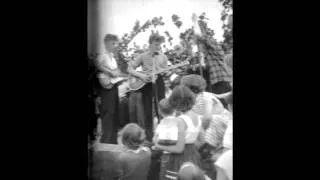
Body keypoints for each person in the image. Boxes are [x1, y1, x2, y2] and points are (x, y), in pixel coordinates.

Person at [155, 85, 202, 180]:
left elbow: (179, 148)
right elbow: (201, 139)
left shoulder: (181, 120)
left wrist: (158, 144)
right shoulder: (197, 116)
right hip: (193, 153)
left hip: (180, 158)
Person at [127, 33, 168, 142]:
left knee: (161, 109)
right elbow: (130, 68)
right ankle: (149, 139)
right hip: (146, 84)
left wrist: (164, 72)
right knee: (147, 111)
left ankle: (162, 137)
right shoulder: (142, 56)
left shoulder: (163, 57)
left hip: (159, 82)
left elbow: (166, 71)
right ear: (149, 44)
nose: (158, 47)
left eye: (159, 45)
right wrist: (141, 75)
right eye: (155, 44)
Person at [96, 34, 123, 144]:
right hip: (106, 89)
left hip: (113, 87)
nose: (115, 45)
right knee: (108, 115)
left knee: (114, 114)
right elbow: (97, 67)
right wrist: (110, 72)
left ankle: (112, 141)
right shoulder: (102, 56)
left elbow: (116, 71)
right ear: (106, 44)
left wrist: (116, 73)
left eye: (116, 43)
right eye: (113, 43)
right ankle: (106, 142)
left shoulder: (112, 57)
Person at [192, 35, 232, 108]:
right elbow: (207, 68)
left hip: (221, 81)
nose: (200, 49)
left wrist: (199, 37)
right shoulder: (208, 57)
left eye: (201, 46)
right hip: (215, 82)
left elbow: (208, 42)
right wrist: (198, 66)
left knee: (224, 104)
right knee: (221, 104)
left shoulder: (216, 50)